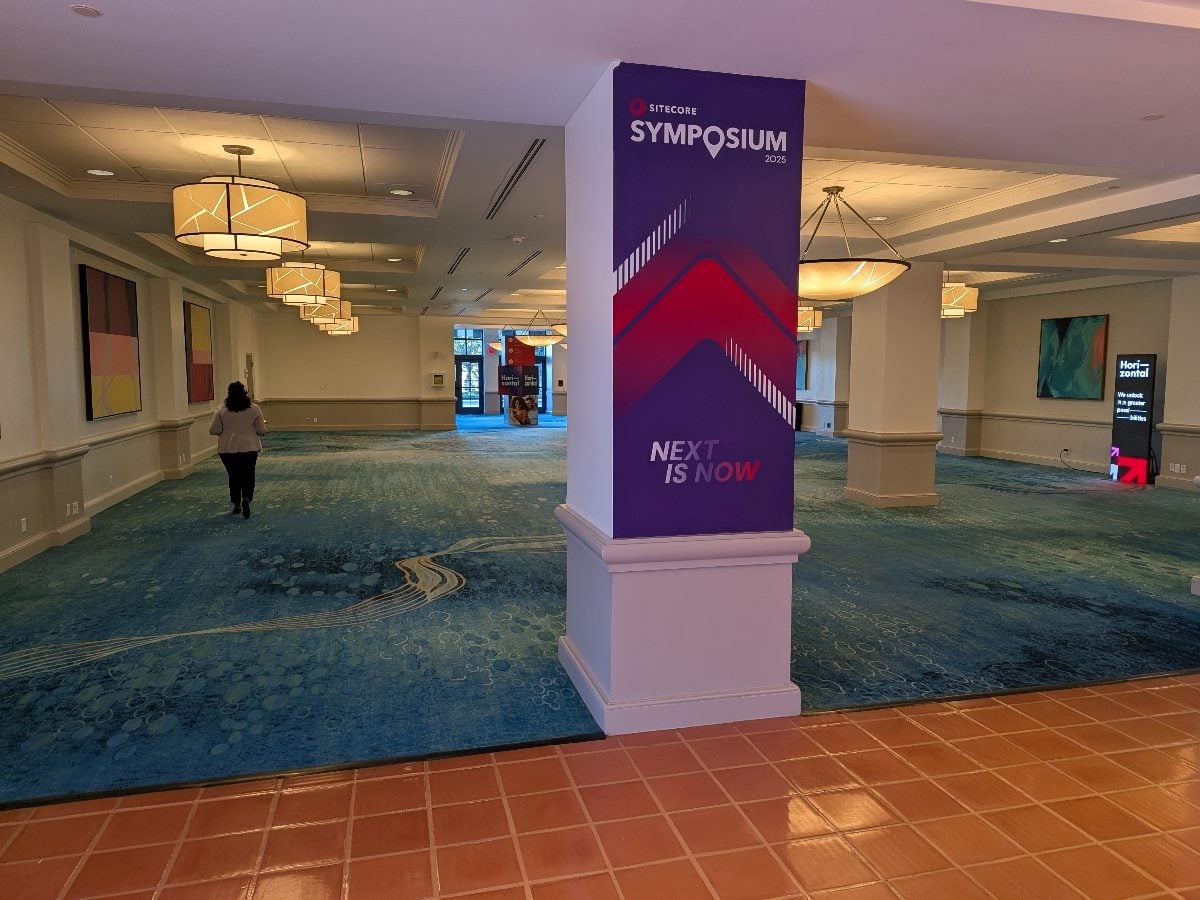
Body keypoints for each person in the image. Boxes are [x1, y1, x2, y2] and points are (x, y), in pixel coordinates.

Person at [209, 381, 267, 519]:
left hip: (228, 449)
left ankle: (236, 503)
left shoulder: (221, 410)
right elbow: (261, 430)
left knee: (234, 476)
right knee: (248, 474)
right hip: (250, 447)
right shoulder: (254, 409)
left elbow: (214, 429)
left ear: (229, 393)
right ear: (245, 393)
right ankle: (247, 497)